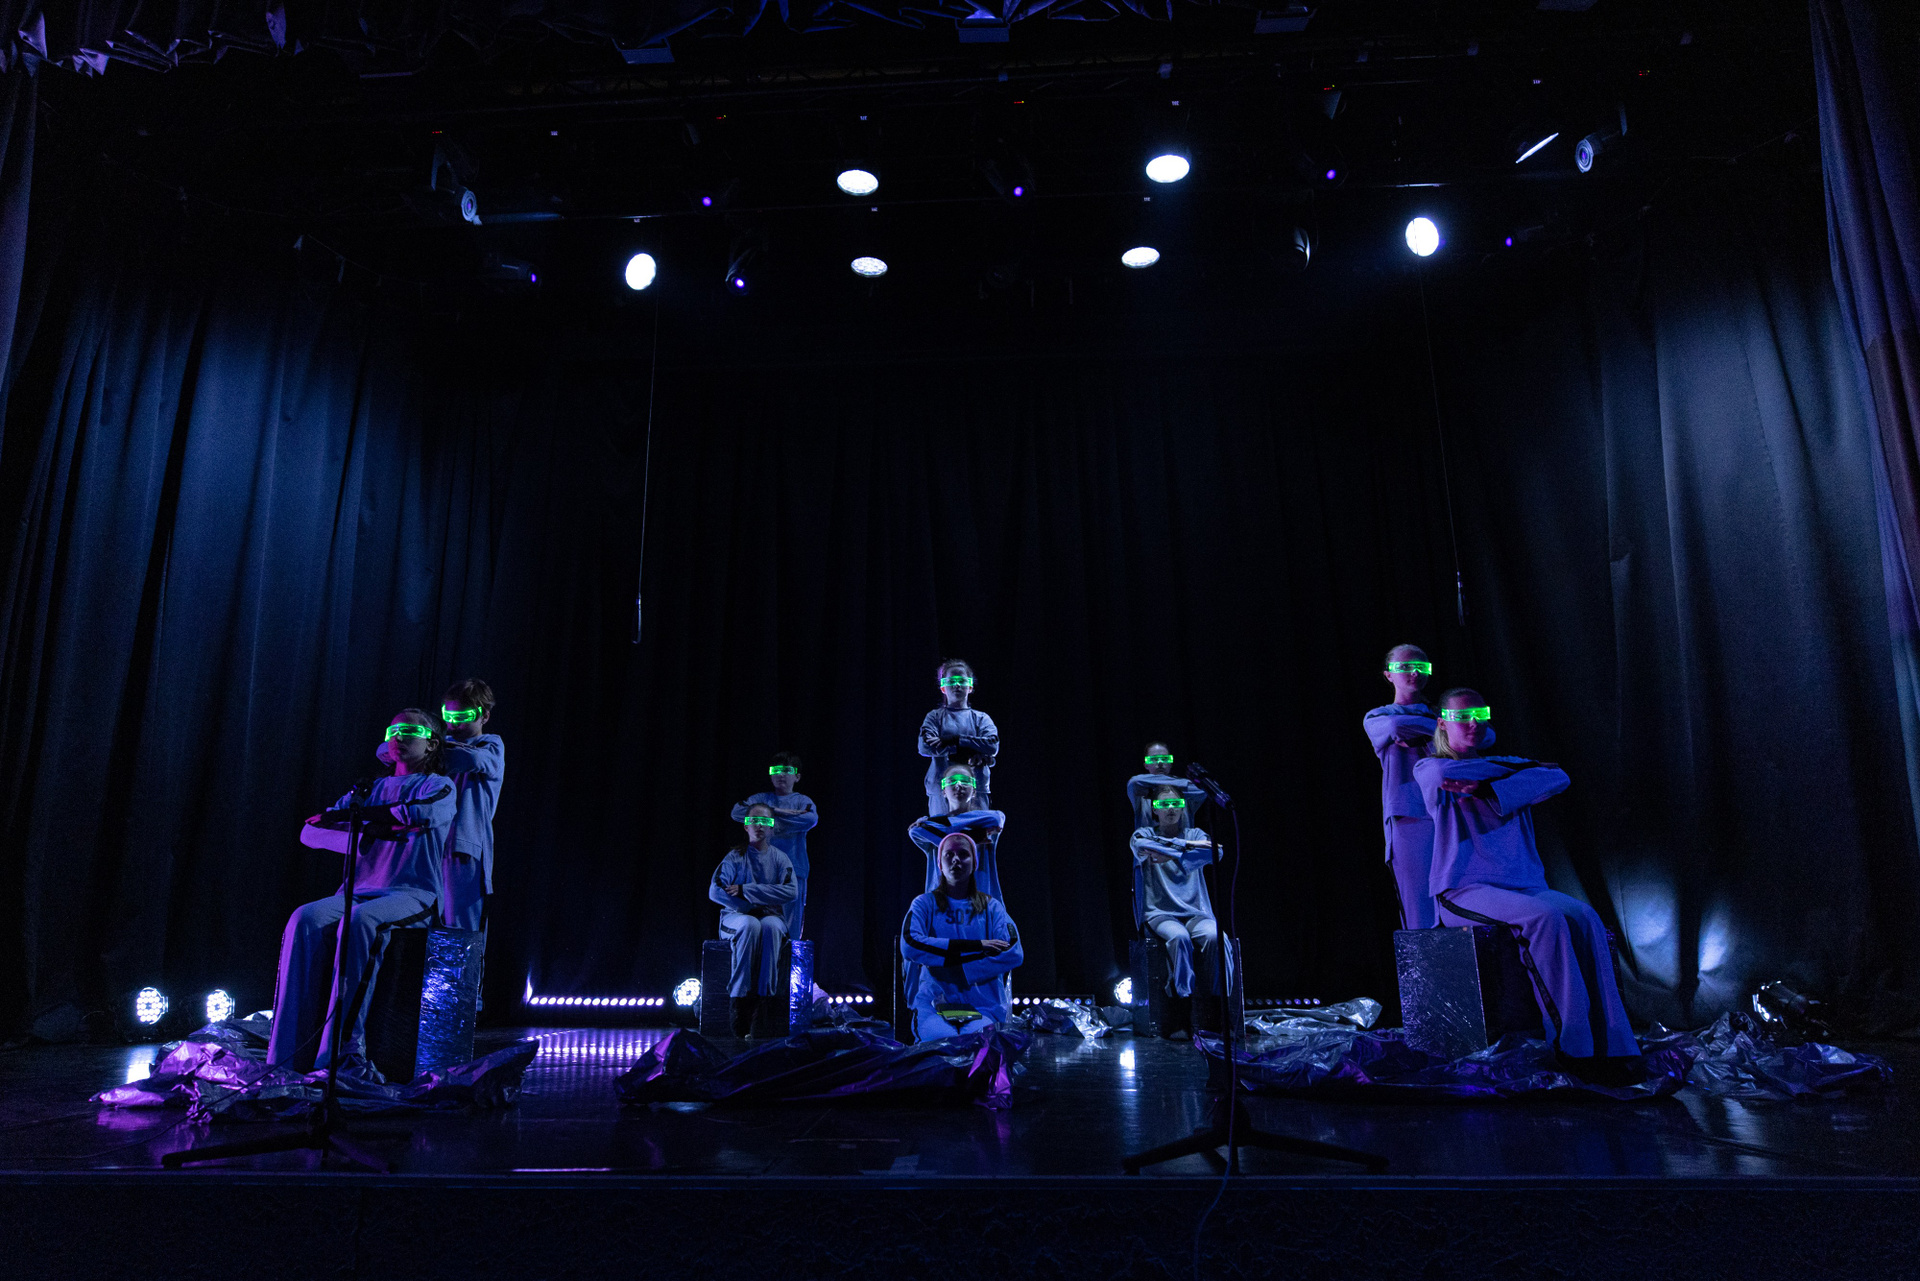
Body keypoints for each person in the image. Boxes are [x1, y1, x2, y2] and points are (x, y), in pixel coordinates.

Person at [1414, 688, 1640, 1079]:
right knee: (1545, 918)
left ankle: (1615, 1046)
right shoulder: (1430, 767)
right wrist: (1516, 778)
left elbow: (1559, 776)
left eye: (1480, 714)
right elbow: (1447, 776)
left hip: (1523, 883)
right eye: (1462, 716)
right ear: (1442, 724)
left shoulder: (1506, 765)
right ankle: (1573, 1048)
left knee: (1587, 919)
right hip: (1464, 888)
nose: (1472, 723)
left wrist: (1490, 788)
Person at [269, 710, 458, 1074]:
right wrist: (363, 836)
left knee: (359, 923)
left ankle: (342, 1055)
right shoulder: (368, 790)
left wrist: (356, 820)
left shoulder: (438, 786)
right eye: (393, 729)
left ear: (432, 744)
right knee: (303, 919)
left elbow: (417, 814)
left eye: (410, 730)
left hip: (411, 893)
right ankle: (286, 1056)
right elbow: (311, 830)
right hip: (358, 891)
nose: (399, 735)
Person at [374, 678, 504, 933]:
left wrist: (423, 746)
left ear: (484, 716)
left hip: (462, 848)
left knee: (460, 929)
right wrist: (421, 745)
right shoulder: (436, 744)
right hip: (426, 846)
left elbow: (472, 760)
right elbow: (383, 751)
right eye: (448, 715)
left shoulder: (490, 745)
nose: (453, 723)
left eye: (463, 717)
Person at [900, 831, 1023, 1042]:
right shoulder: (923, 904)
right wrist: (977, 946)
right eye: (949, 855)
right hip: (934, 1005)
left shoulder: (992, 907)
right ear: (939, 864)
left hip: (983, 1007)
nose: (956, 859)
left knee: (976, 1042)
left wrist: (959, 969)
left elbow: (1013, 950)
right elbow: (910, 944)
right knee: (942, 1041)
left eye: (963, 854)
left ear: (974, 863)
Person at [1129, 784, 1222, 1040]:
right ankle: (1180, 1011)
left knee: (1216, 937)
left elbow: (1217, 851)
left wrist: (1170, 854)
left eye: (1175, 804)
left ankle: (1216, 1008)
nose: (1170, 809)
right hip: (1160, 912)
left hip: (1196, 912)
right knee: (1179, 938)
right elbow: (1141, 845)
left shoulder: (1194, 832)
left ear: (1183, 808)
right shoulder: (1144, 833)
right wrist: (1187, 849)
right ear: (1154, 810)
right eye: (1163, 804)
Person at [1363, 645, 1444, 930]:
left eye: (1422, 667)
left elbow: (1485, 736)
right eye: (1405, 667)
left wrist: (1421, 728)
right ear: (1389, 675)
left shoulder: (1443, 713)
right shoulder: (1378, 716)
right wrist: (1441, 729)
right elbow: (1394, 727)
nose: (1415, 673)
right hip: (1410, 814)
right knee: (1419, 905)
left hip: (1450, 811)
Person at [708, 803, 798, 1037]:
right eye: (754, 821)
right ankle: (740, 1002)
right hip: (737, 917)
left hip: (770, 916)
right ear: (746, 826)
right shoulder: (735, 857)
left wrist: (746, 890)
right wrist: (750, 906)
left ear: (772, 827)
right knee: (750, 925)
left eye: (765, 821)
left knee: (770, 928)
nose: (760, 825)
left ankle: (764, 1004)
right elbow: (715, 891)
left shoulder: (780, 859)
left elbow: (791, 891)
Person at [729, 752, 819, 940]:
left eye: (786, 770)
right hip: (760, 870)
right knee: (758, 921)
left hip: (793, 870)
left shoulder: (802, 801)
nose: (780, 774)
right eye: (775, 770)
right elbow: (737, 812)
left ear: (797, 776)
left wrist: (765, 817)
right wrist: (776, 811)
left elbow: (810, 820)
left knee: (791, 927)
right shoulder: (761, 798)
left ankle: (788, 958)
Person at [907, 762, 1007, 900]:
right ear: (943, 791)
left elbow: (997, 818)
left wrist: (953, 830)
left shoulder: (936, 825)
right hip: (944, 903)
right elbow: (915, 831)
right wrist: (972, 836)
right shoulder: (934, 823)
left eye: (965, 781)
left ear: (974, 791)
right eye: (951, 781)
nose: (958, 785)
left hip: (980, 900)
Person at [917, 659, 1000, 817]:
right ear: (943, 687)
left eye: (962, 681)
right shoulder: (935, 717)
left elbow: (992, 746)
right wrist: (968, 749)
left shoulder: (981, 719)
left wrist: (954, 740)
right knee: (943, 831)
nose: (957, 685)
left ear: (970, 686)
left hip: (976, 788)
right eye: (951, 681)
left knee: (976, 830)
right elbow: (925, 746)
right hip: (940, 788)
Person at [1125, 741, 1207, 829]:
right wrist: (1178, 785)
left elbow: (1204, 790)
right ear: (1146, 765)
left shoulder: (1188, 789)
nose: (1160, 762)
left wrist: (1153, 791)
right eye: (1154, 759)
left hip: (1183, 838)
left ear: (1171, 763)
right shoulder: (1139, 787)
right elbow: (1134, 782)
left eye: (1165, 758)